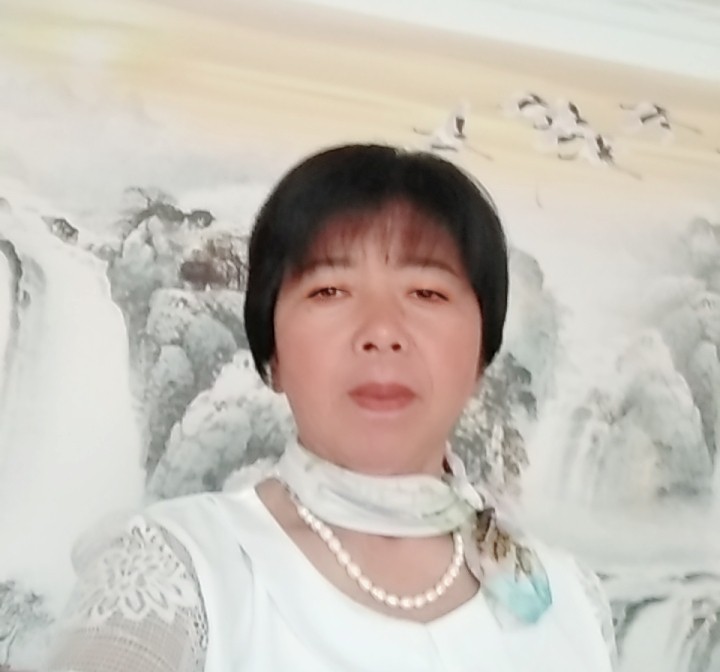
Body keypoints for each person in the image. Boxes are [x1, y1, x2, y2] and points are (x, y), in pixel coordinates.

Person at [42, 143, 616, 671]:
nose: (382, 331)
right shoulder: (178, 572)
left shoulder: (572, 600)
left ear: (481, 358)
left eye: (427, 292)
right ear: (272, 356)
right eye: (329, 291)